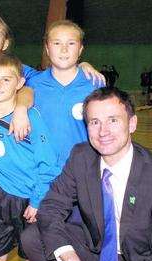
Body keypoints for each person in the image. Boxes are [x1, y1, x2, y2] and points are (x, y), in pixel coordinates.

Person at [21, 87, 152, 261]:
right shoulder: (81, 157)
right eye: (94, 122)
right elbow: (51, 207)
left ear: (132, 124)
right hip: (101, 255)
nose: (103, 131)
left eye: (113, 120)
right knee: (33, 237)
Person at [0, 53, 60, 261]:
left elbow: (49, 165)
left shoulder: (31, 117)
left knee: (32, 258)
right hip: (0, 199)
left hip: (31, 201)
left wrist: (37, 201)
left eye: (5, 80)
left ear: (20, 83)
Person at [27, 20, 103, 170]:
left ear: (80, 49)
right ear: (47, 49)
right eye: (56, 43)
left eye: (71, 43)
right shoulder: (33, 84)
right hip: (42, 174)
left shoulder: (95, 85)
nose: (64, 50)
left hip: (83, 171)